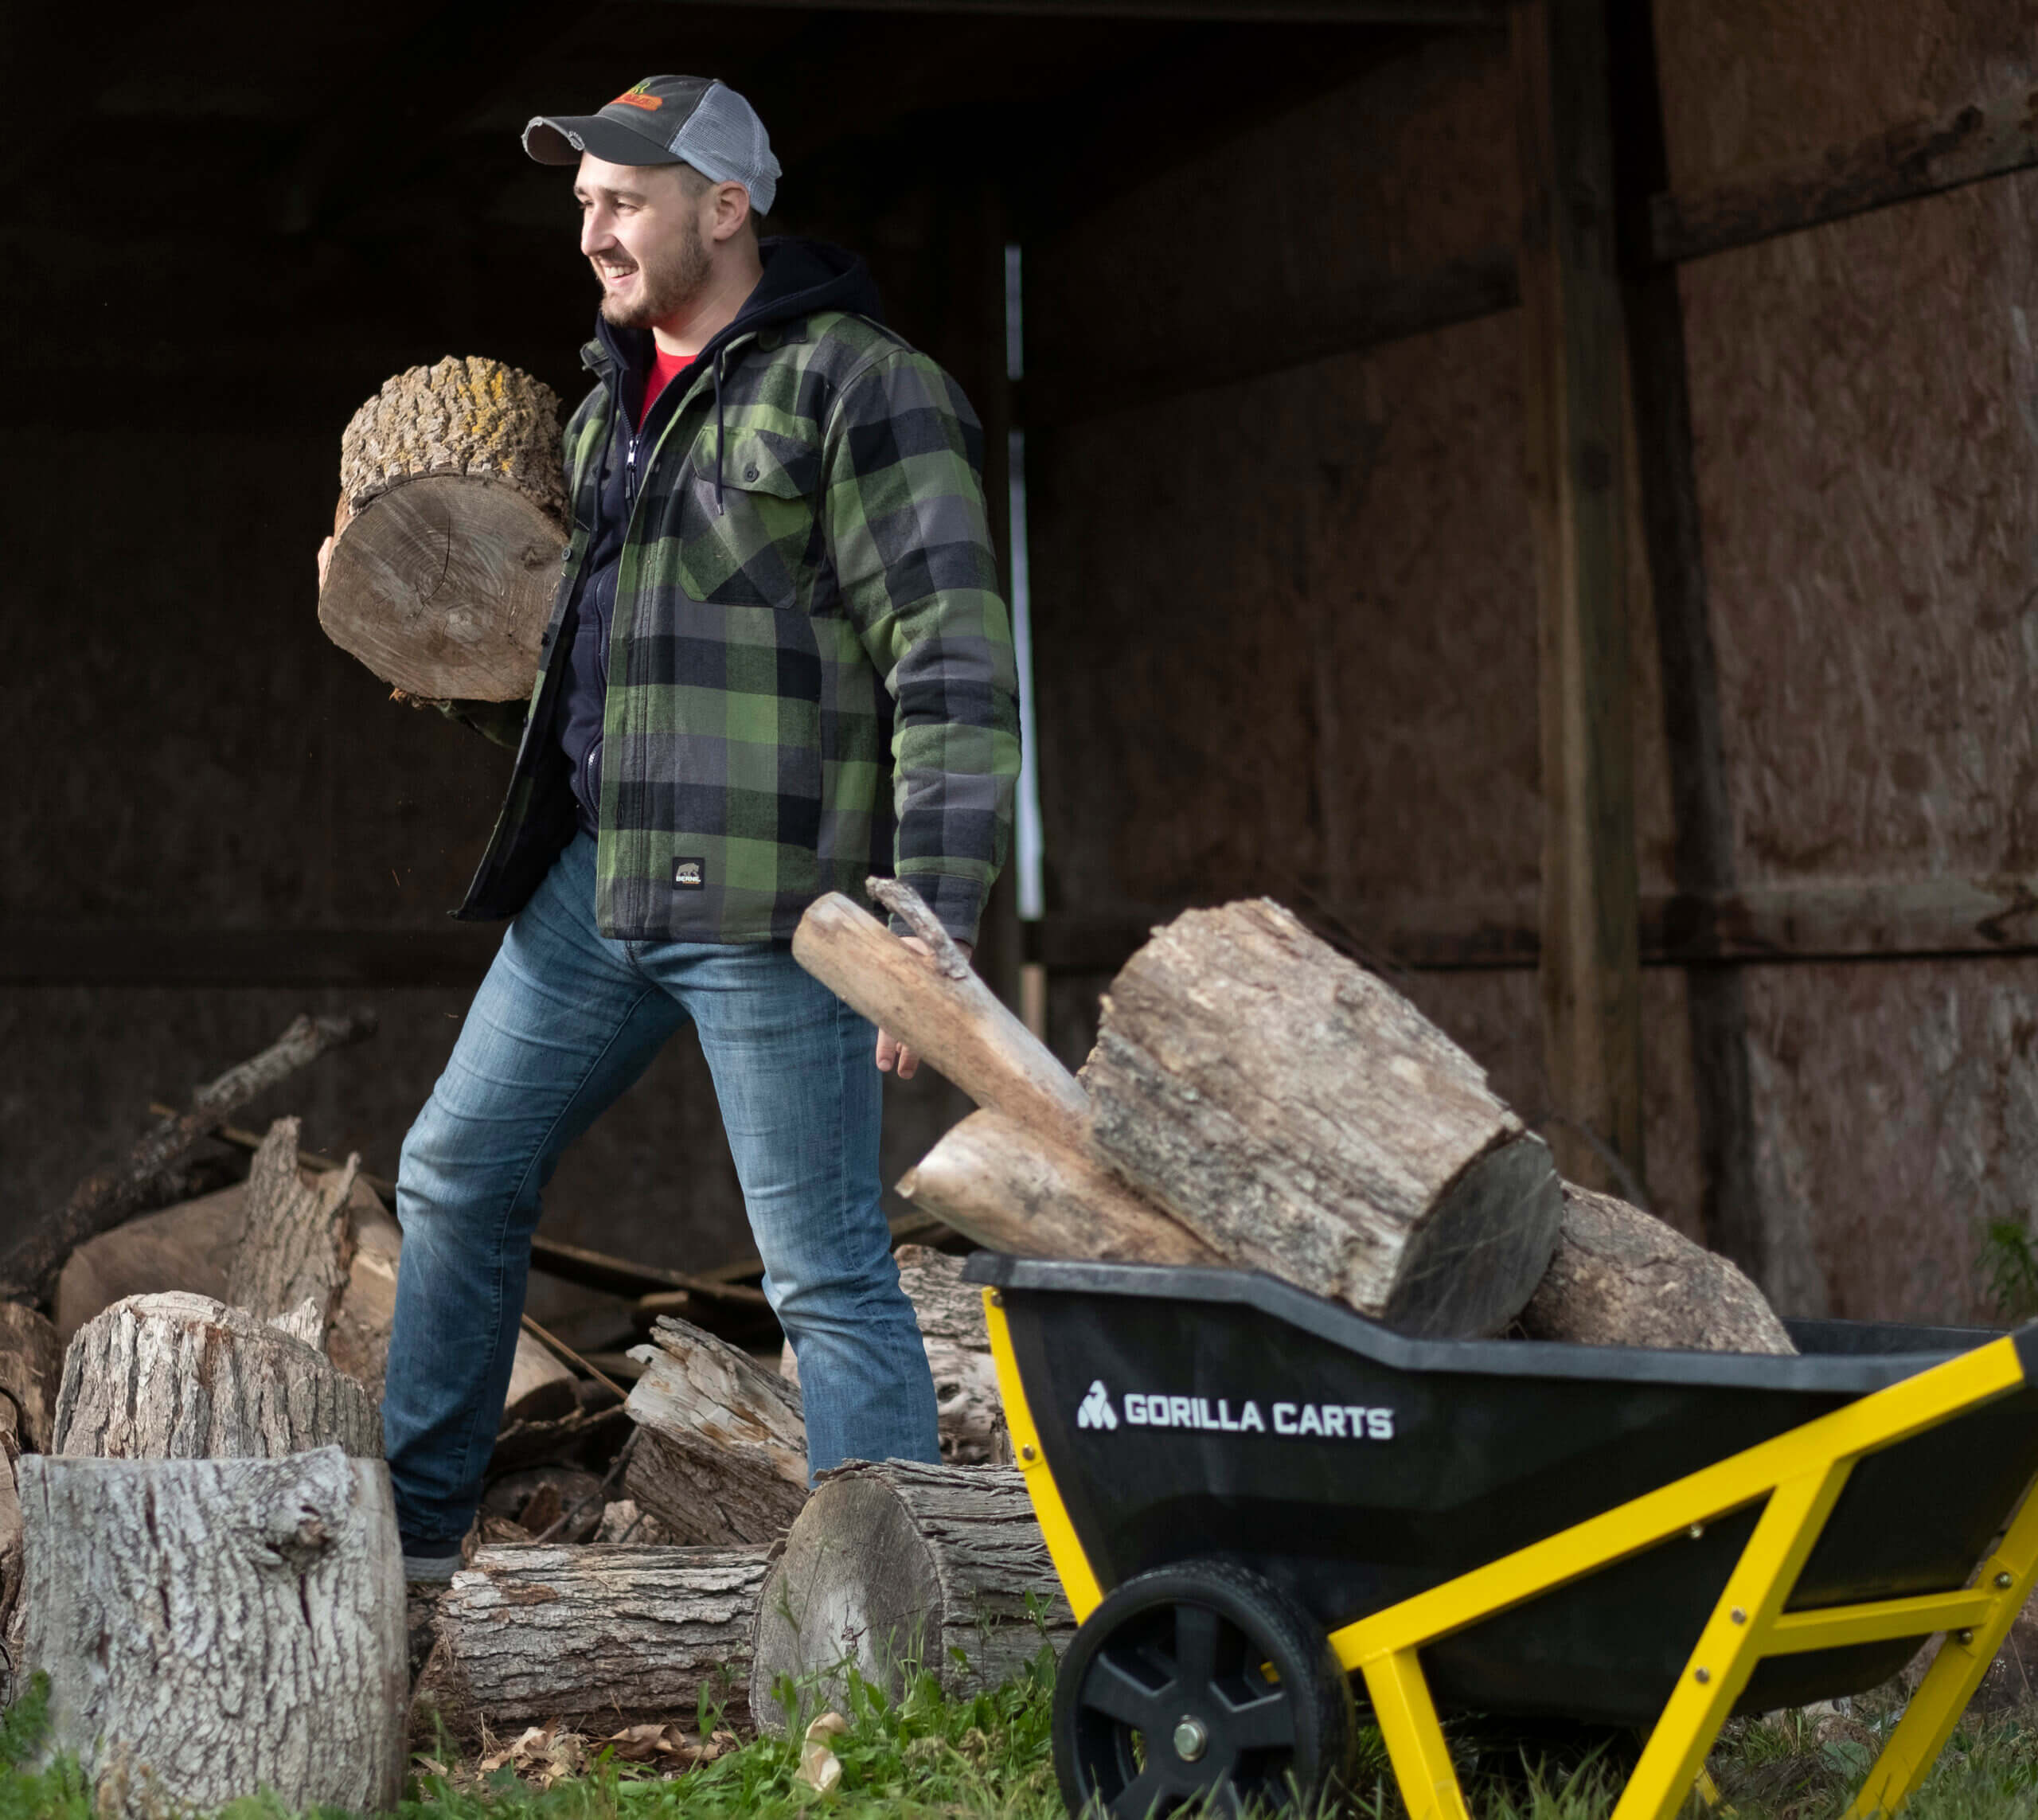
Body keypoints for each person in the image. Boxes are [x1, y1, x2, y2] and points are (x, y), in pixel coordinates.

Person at [357, 74, 1020, 1581]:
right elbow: (599, 685)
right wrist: (417, 641)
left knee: (828, 1273)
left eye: (625, 197)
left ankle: (903, 1623)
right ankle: (415, 1556)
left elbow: (953, 653)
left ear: (726, 207)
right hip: (604, 891)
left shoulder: (858, 386)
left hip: (778, 908)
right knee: (455, 1168)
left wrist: (934, 905)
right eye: (582, 199)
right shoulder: (606, 416)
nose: (593, 227)